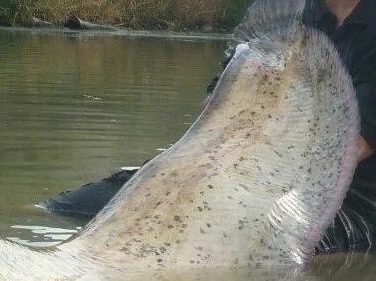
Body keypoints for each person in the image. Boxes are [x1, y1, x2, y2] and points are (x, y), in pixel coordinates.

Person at [40, 0, 376, 253]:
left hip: (351, 205)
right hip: (245, 175)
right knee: (84, 203)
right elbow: (216, 109)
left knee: (236, 245)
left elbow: (350, 146)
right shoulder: (296, 16)